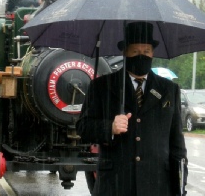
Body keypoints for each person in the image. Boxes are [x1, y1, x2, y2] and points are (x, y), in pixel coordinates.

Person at [77, 21, 188, 196]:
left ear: (153, 53)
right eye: (135, 51)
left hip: (157, 184)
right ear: (125, 52)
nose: (141, 56)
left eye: (146, 52)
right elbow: (83, 128)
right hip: (115, 184)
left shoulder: (168, 89)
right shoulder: (102, 86)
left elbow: (177, 142)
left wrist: (181, 183)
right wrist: (109, 128)